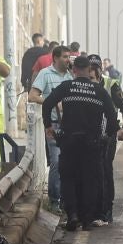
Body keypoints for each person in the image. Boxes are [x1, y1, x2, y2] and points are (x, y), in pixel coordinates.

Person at [40, 54, 116, 232]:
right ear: (89, 70)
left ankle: (72, 215)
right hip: (92, 143)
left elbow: (47, 104)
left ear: (74, 70)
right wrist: (106, 137)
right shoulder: (99, 91)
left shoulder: (67, 86)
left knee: (69, 178)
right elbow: (112, 117)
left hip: (69, 141)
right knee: (90, 180)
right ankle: (87, 219)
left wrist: (48, 126)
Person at [29, 45, 75, 212]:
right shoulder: (45, 74)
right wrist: (52, 102)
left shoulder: (71, 75)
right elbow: (32, 95)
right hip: (54, 124)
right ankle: (54, 200)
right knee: (56, 161)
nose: (67, 60)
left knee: (71, 163)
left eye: (69, 56)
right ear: (55, 58)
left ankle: (68, 199)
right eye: (64, 56)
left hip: (71, 125)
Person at [93, 55, 123, 219]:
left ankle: (106, 210)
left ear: (99, 70)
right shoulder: (82, 84)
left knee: (105, 170)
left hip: (108, 135)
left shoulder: (111, 84)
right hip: (89, 136)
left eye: (94, 69)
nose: (91, 73)